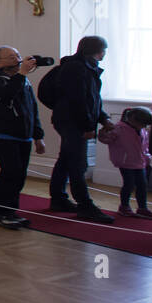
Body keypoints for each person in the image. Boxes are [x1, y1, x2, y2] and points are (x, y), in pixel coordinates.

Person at [46, 36, 114, 223]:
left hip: (70, 120)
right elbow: (79, 100)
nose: (104, 54)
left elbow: (91, 99)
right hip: (73, 122)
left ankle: (59, 199)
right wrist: (87, 125)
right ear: (97, 50)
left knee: (66, 160)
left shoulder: (82, 66)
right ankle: (85, 205)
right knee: (78, 164)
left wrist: (103, 118)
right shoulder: (78, 68)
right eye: (103, 50)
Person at [0, 47, 46, 230]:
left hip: (23, 134)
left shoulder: (23, 81)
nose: (16, 59)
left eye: (17, 55)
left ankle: (11, 211)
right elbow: (6, 94)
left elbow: (32, 109)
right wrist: (22, 73)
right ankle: (1, 212)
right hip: (3, 132)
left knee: (20, 175)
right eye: (11, 57)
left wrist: (38, 136)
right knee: (11, 172)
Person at [98, 107, 152, 218]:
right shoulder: (119, 129)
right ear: (133, 120)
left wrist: (147, 158)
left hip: (139, 162)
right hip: (126, 162)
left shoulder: (142, 130)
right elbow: (106, 140)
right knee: (129, 184)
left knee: (142, 185)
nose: (144, 126)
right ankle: (124, 207)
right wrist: (102, 133)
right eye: (143, 124)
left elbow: (145, 146)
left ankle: (142, 208)